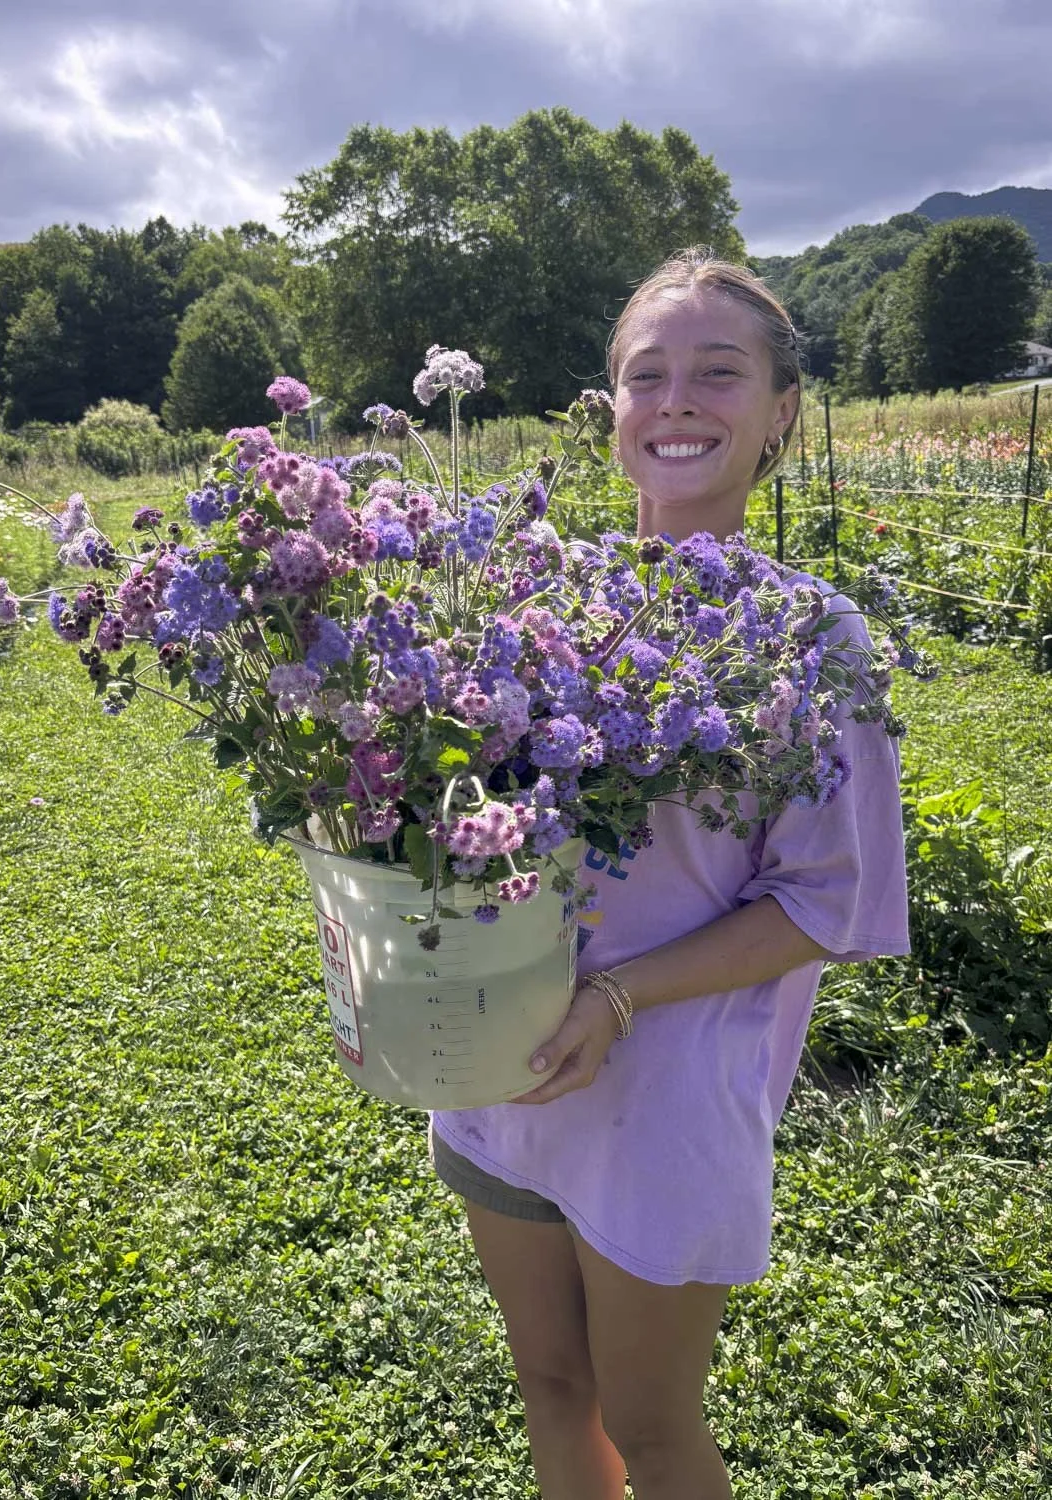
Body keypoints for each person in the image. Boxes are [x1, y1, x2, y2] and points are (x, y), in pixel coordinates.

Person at [427, 248, 911, 1500]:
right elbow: (449, 810)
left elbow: (825, 903)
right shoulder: (541, 598)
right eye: (648, 375)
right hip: (505, 1066)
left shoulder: (813, 637)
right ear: (613, 411)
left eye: (719, 373)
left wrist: (617, 997)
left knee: (650, 1424)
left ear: (783, 411)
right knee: (549, 1386)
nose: (677, 401)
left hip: (667, 1096)